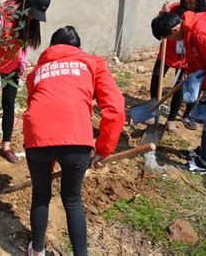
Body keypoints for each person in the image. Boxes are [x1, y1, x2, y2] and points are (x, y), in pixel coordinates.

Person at [23, 26, 125, 255]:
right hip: (76, 139)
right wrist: (103, 149)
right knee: (72, 199)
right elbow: (115, 108)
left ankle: (37, 251)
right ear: (77, 47)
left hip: (37, 138)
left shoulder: (37, 71)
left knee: (40, 194)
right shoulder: (92, 63)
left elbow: (35, 104)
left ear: (52, 47)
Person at [0, 0, 51, 167]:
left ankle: (6, 146)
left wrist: (22, 63)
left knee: (9, 105)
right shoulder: (3, 13)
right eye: (33, 13)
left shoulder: (28, 18)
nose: (34, 18)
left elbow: (24, 43)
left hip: (11, 65)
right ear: (27, 6)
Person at [151, 3, 206, 174]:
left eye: (169, 38)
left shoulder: (200, 32)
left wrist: (205, 85)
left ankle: (205, 164)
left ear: (174, 30)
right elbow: (199, 55)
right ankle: (202, 153)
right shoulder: (190, 28)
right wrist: (190, 71)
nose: (171, 42)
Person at [151, 0, 206, 132]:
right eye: (186, 2)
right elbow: (161, 25)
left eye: (192, 2)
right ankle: (152, 110)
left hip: (185, 57)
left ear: (199, 1)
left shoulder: (203, 16)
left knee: (179, 87)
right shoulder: (175, 8)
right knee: (157, 78)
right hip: (167, 52)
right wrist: (163, 13)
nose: (188, 6)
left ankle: (171, 119)